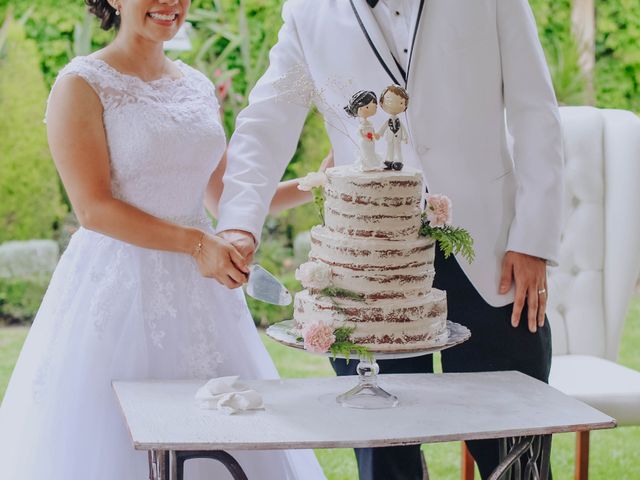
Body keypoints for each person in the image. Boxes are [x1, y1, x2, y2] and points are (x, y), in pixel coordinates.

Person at [215, 1, 564, 479]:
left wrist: (533, 239)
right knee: (385, 456)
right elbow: (266, 125)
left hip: (493, 253)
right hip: (364, 273)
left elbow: (536, 113)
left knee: (518, 450)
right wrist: (238, 224)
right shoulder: (307, 12)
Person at [0, 0, 328, 479]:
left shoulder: (195, 84)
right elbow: (93, 209)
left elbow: (222, 196)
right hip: (119, 289)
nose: (170, 3)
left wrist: (313, 185)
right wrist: (197, 244)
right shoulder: (81, 84)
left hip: (202, 291)